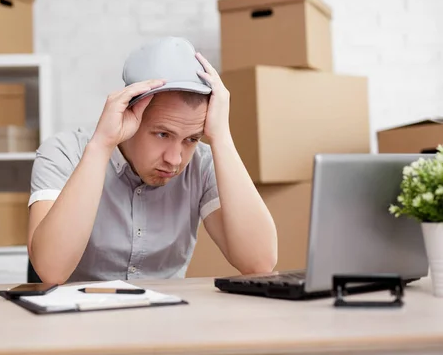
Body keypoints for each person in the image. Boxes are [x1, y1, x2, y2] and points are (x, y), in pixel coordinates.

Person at [27, 37, 277, 284]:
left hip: (166, 318)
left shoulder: (201, 164)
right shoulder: (63, 153)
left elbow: (259, 263)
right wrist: (102, 145)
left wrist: (221, 137)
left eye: (191, 139)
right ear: (129, 112)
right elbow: (51, 270)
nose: (175, 159)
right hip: (78, 320)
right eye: (162, 134)